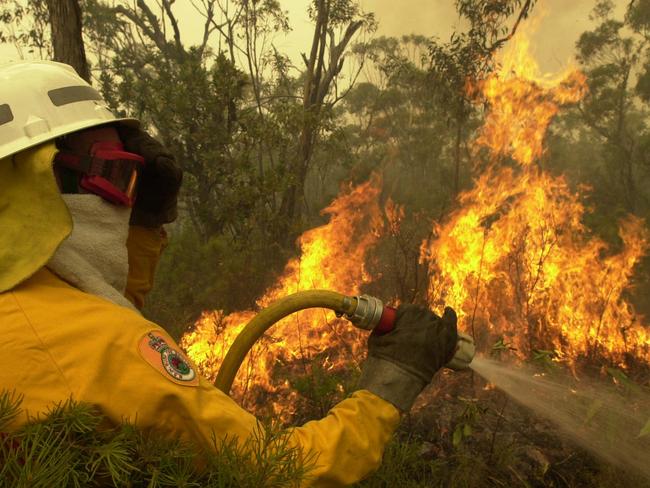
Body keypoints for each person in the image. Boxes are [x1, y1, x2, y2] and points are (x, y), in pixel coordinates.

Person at [0, 60, 458, 486]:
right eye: (118, 175)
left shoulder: (31, 311)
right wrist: (395, 376)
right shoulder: (101, 346)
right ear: (39, 184)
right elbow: (278, 471)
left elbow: (92, 308)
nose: (127, 199)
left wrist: (141, 226)